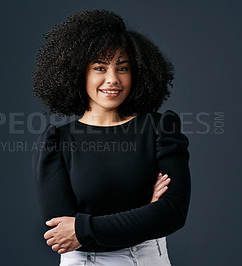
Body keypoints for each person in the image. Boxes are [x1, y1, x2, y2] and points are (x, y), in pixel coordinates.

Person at [32, 9, 191, 266]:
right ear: (78, 73)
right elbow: (60, 235)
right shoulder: (57, 141)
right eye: (100, 68)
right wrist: (145, 211)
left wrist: (83, 228)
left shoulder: (161, 128)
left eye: (122, 67)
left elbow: (173, 214)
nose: (112, 79)